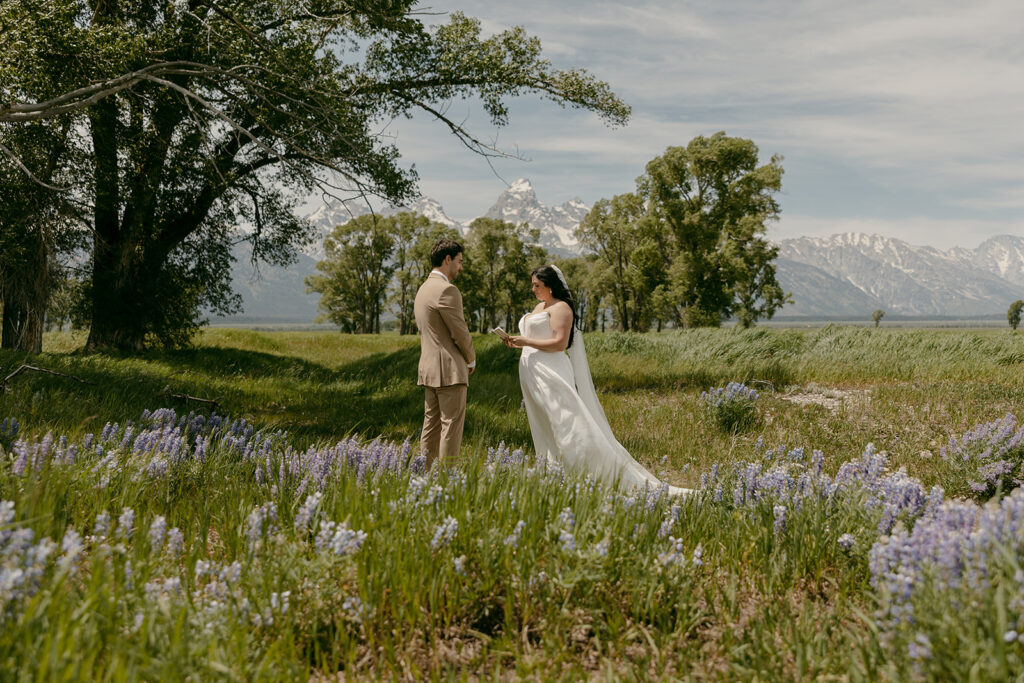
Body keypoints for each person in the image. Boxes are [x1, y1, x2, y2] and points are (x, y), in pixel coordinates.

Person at [503, 265, 690, 496]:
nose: (533, 289)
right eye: (532, 285)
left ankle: (589, 469)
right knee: (542, 422)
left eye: (537, 285)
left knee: (564, 420)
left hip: (551, 372)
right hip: (532, 372)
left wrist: (526, 342)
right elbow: (536, 335)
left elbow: (560, 343)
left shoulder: (562, 308)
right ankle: (554, 470)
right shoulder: (540, 306)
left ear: (550, 286)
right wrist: (516, 341)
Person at [414, 239, 476, 467]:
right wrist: (471, 358)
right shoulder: (447, 290)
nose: (460, 267)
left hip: (428, 369)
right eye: (459, 262)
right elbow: (460, 332)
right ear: (447, 260)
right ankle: (446, 480)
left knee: (431, 426)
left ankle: (424, 473)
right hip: (449, 369)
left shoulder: (423, 289)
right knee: (451, 425)